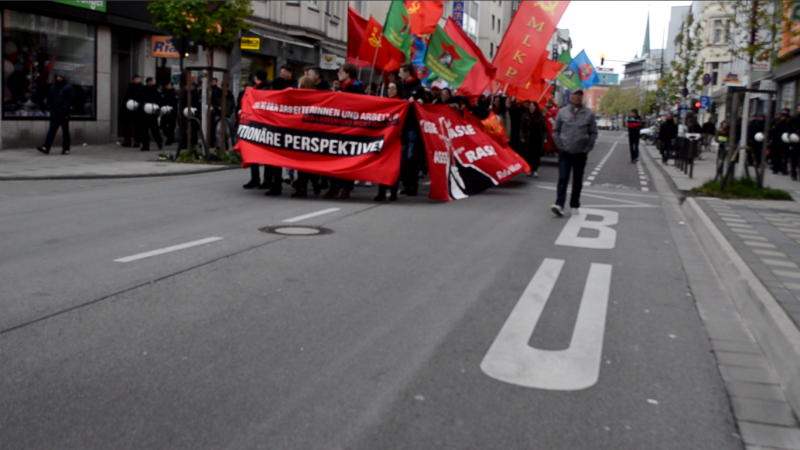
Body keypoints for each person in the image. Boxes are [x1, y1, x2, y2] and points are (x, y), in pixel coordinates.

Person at [550, 89, 597, 217]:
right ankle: (559, 204)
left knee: (577, 180)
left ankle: (575, 204)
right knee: (563, 178)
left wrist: (587, 147)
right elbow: (556, 130)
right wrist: (559, 145)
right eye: (574, 95)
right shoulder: (562, 112)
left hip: (580, 152)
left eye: (579, 95)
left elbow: (593, 133)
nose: (576, 97)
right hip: (565, 151)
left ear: (582, 97)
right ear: (570, 97)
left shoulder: (589, 114)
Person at [323, 63, 364, 199]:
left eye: (341, 71)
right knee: (333, 156)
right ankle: (333, 185)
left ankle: (346, 186)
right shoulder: (340, 88)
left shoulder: (357, 90)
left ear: (348, 74)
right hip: (337, 127)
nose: (338, 73)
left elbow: (359, 107)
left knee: (348, 157)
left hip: (351, 128)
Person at [242, 69, 276, 190]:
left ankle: (265, 179)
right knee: (254, 151)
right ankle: (258, 179)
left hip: (263, 124)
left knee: (264, 153)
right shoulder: (259, 88)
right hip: (258, 124)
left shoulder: (263, 89)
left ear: (256, 77)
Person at [396, 63, 426, 197]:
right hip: (402, 127)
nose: (399, 74)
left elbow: (425, 102)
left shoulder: (419, 88)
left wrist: (419, 101)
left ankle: (414, 186)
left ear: (407, 72)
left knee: (411, 157)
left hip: (413, 127)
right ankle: (407, 184)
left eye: (401, 72)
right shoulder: (401, 87)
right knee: (402, 159)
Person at [291, 76, 323, 198]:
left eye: (299, 84)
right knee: (301, 162)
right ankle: (307, 185)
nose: (297, 86)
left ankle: (309, 183)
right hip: (300, 132)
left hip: (311, 133)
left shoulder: (317, 98)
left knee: (307, 161)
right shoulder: (297, 97)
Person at [37, 73, 75, 155]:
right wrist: (49, 106)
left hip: (64, 114)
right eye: (57, 77)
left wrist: (65, 107)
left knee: (65, 132)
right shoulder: (53, 88)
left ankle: (66, 148)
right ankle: (46, 147)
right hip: (54, 114)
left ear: (63, 78)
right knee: (51, 131)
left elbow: (72, 99)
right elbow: (49, 98)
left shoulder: (68, 87)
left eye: (60, 77)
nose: (58, 78)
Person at [375, 82, 401, 201]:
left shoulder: (402, 103)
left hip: (397, 139)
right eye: (389, 88)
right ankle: (381, 192)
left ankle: (393, 191)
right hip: (384, 137)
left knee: (394, 166)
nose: (390, 90)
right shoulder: (384, 103)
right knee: (382, 165)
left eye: (393, 88)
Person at [520, 101, 546, 178]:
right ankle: (529, 169)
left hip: (537, 138)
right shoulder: (525, 116)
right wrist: (522, 137)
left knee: (536, 155)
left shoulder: (540, 116)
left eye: (533, 106)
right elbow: (522, 128)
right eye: (530, 106)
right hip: (528, 138)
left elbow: (544, 128)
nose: (532, 107)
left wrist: (544, 138)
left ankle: (534, 170)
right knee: (529, 155)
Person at [139, 77, 164, 151]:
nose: (150, 83)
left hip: (153, 113)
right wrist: (143, 105)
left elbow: (161, 99)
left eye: (151, 82)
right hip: (144, 113)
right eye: (149, 82)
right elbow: (140, 99)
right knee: (144, 130)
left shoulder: (156, 89)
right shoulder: (143, 89)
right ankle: (145, 145)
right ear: (146, 82)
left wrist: (157, 106)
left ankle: (159, 143)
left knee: (155, 130)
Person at [161, 82, 179, 146]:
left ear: (172, 86)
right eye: (167, 86)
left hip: (172, 112)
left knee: (171, 127)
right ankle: (169, 136)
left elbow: (175, 102)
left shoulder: (174, 93)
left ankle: (170, 140)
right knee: (162, 125)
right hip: (164, 112)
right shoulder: (163, 93)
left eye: (169, 86)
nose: (168, 87)